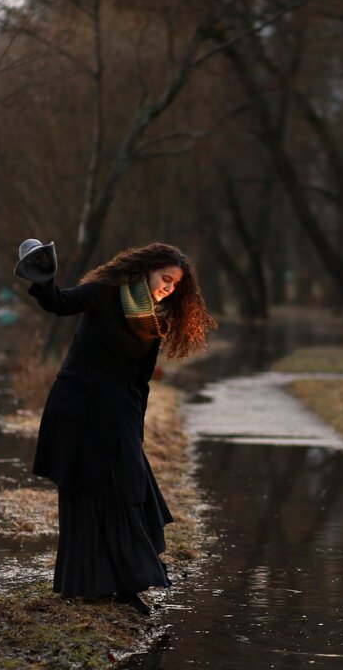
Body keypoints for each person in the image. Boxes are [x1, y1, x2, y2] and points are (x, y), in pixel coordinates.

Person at [17, 240, 215, 615]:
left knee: (129, 490)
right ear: (147, 268)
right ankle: (95, 585)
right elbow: (58, 302)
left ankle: (125, 582)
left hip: (119, 413)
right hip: (79, 408)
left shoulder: (155, 323)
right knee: (86, 491)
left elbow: (141, 382)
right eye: (166, 278)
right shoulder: (104, 292)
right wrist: (42, 277)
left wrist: (135, 429)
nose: (168, 288)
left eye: (175, 285)